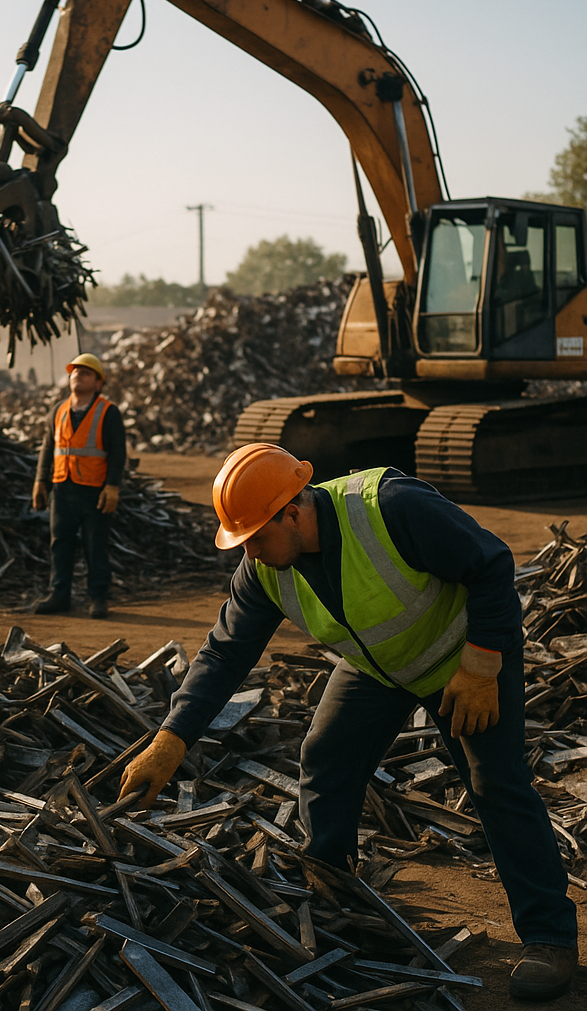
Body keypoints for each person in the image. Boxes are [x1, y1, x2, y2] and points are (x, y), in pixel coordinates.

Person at [120, 443, 578, 1001]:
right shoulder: (264, 568)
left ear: (293, 510)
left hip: (465, 657)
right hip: (381, 670)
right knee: (327, 757)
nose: (253, 554)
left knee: (496, 784)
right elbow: (223, 654)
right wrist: (171, 739)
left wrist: (482, 665)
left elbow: (491, 563)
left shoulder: (390, 507)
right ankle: (335, 896)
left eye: (257, 537)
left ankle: (550, 938)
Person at [32, 353, 126, 619]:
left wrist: (113, 487)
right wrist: (40, 481)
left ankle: (97, 598)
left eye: (86, 373)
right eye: (75, 371)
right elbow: (48, 448)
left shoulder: (108, 412)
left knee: (95, 545)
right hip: (63, 488)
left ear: (98, 383)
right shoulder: (58, 411)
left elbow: (118, 452)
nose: (78, 375)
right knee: (59, 543)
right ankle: (59, 594)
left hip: (94, 490)